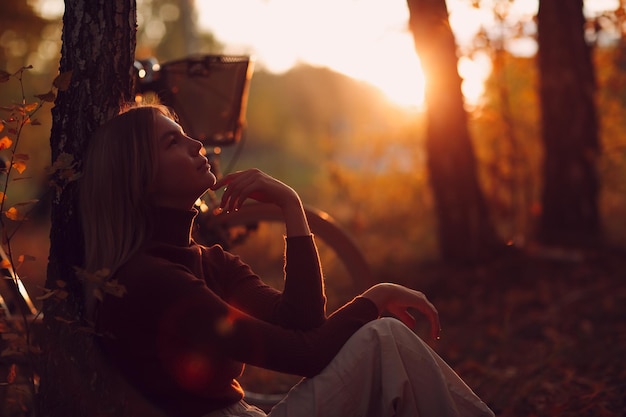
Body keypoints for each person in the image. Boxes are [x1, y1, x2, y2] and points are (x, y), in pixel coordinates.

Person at [79, 102, 494, 417]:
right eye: (173, 141)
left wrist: (291, 206)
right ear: (140, 178)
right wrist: (375, 297)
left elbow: (302, 320)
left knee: (386, 339)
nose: (197, 144)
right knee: (384, 337)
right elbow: (306, 355)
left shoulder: (210, 262)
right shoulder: (152, 279)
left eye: (186, 134)